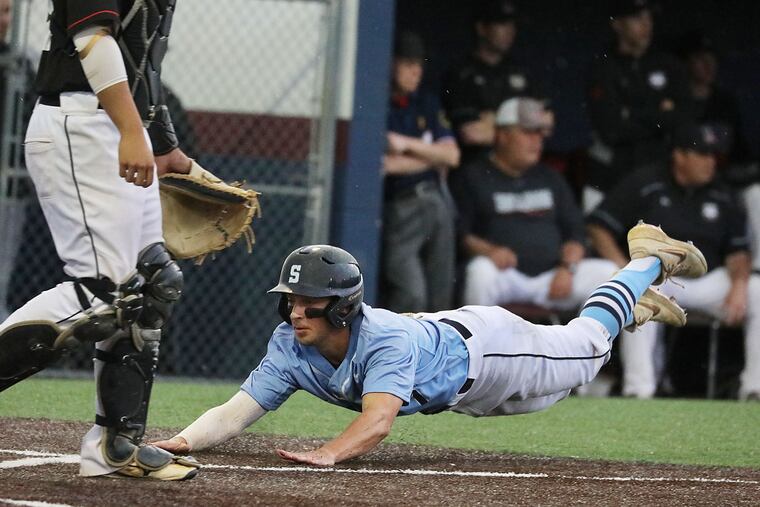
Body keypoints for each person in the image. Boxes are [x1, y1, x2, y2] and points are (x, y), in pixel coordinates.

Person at [152, 227, 705, 465]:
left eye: (311, 301)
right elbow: (234, 413)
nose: (297, 310)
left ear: (342, 305)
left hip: (490, 351)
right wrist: (178, 442)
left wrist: (328, 453)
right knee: (554, 395)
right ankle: (631, 305)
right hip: (464, 391)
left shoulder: (382, 339)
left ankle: (646, 258)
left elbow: (377, 423)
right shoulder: (289, 345)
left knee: (588, 350)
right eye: (292, 300)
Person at [0, 1, 200, 480]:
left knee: (152, 281)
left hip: (120, 124)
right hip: (84, 124)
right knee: (104, 292)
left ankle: (116, 447)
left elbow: (140, 56)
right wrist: (133, 131)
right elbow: (94, 40)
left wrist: (164, 143)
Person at [587, 123, 760, 400]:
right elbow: (598, 226)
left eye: (713, 155)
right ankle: (639, 390)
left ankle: (754, 390)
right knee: (640, 292)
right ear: (679, 155)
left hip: (708, 281)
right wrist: (624, 269)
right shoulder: (646, 182)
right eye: (702, 154)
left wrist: (739, 284)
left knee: (756, 289)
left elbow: (739, 252)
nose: (710, 162)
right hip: (659, 278)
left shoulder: (723, 193)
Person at [452, 97, 618, 315]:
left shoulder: (550, 177)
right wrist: (488, 251)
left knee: (610, 275)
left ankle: (590, 348)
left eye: (540, 134)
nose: (537, 141)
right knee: (480, 271)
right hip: (507, 276)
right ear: (502, 135)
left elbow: (576, 232)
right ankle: (478, 345)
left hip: (552, 278)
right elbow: (460, 233)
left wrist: (568, 268)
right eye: (528, 132)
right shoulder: (473, 176)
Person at [584, 0, 692, 212]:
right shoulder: (603, 67)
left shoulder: (669, 64)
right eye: (637, 18)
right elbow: (611, 130)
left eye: (648, 18)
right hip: (611, 177)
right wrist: (660, 114)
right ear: (617, 24)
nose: (646, 25)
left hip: (660, 175)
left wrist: (632, 114)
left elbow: (685, 118)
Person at [381, 31, 460, 312]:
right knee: (412, 294)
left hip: (437, 201)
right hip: (401, 207)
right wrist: (429, 154)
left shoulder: (425, 102)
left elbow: (452, 155)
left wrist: (405, 145)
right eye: (408, 64)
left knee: (441, 296)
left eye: (419, 65)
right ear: (391, 64)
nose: (416, 71)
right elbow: (383, 165)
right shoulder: (379, 102)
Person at [441, 0, 542, 167]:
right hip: (475, 166)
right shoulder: (460, 74)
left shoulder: (521, 70)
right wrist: (519, 125)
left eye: (512, 25)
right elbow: (472, 134)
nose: (510, 31)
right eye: (502, 24)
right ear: (482, 28)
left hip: (518, 169)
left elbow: (545, 123)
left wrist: (492, 119)